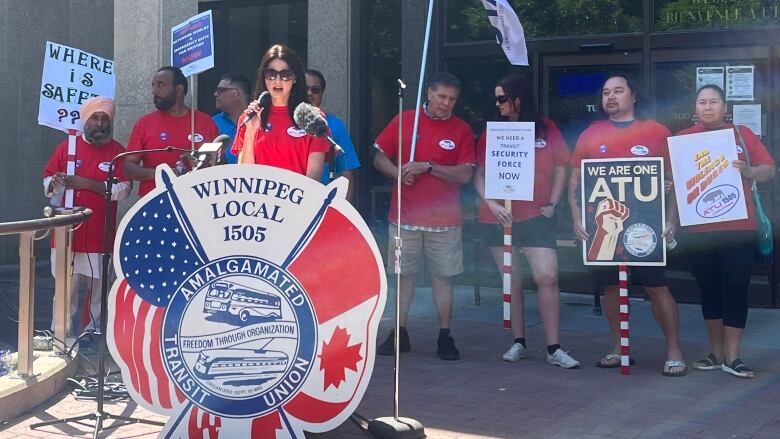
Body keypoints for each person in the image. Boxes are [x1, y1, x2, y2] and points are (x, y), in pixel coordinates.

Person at [567, 74, 686, 376]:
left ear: (633, 96)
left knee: (657, 288)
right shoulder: (591, 134)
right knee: (610, 289)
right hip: (603, 230)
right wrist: (576, 217)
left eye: (618, 91)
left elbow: (676, 181)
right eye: (606, 92)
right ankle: (619, 347)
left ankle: (674, 350)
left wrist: (671, 219)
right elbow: (574, 184)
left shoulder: (657, 132)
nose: (611, 97)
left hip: (646, 229)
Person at [473, 73, 579, 369]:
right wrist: (491, 204)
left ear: (519, 98)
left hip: (536, 215)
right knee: (512, 280)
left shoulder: (545, 129)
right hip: (499, 217)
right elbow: (478, 175)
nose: (498, 104)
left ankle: (554, 347)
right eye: (496, 99)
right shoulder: (491, 132)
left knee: (547, 276)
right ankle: (518, 341)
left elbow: (561, 167)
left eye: (503, 98)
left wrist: (553, 203)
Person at [373, 72, 475, 361]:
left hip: (445, 221)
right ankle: (398, 332)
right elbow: (378, 156)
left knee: (444, 278)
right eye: (442, 97)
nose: (446, 104)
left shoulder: (461, 129)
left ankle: (445, 335)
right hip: (404, 216)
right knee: (402, 277)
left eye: (452, 99)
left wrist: (428, 166)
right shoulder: (406, 120)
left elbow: (466, 173)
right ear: (429, 93)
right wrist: (399, 173)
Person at [678, 85, 775, 378]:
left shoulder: (742, 135)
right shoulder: (682, 140)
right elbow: (672, 178)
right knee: (709, 290)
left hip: (738, 227)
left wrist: (749, 171)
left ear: (724, 106)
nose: (708, 107)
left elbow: (769, 169)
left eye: (714, 101)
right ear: (695, 108)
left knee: (735, 288)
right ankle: (716, 353)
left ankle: (733, 357)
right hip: (699, 229)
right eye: (702, 102)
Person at [43, 96, 131, 334]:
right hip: (66, 235)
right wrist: (56, 182)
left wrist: (87, 183)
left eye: (105, 119)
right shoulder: (67, 147)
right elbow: (48, 185)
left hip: (99, 235)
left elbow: (123, 191)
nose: (100, 124)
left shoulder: (117, 152)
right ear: (85, 119)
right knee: (65, 288)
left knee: (99, 289)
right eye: (95, 118)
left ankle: (92, 334)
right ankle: (60, 335)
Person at [232, 44, 327, 179]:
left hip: (298, 198)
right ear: (263, 77)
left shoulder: (312, 117)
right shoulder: (249, 117)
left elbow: (314, 176)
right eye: (271, 74)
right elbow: (245, 176)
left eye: (285, 74)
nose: (277, 81)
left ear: (295, 77)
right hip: (258, 199)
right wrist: (251, 131)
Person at [124, 66, 219, 196]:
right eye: (153, 85)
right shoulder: (144, 124)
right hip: (155, 202)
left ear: (179, 90)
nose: (154, 91)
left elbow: (221, 165)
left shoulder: (205, 122)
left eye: (160, 85)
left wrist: (200, 161)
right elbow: (128, 167)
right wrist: (159, 173)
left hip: (197, 200)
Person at [305, 69, 361, 200]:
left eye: (315, 90)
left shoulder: (335, 125)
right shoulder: (282, 122)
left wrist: (342, 213)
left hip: (319, 204)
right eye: (305, 88)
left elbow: (346, 174)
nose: (309, 93)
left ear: (322, 94)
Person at [212, 73, 251, 164]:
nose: (215, 94)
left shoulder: (259, 121)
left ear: (237, 93)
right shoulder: (212, 123)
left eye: (220, 90)